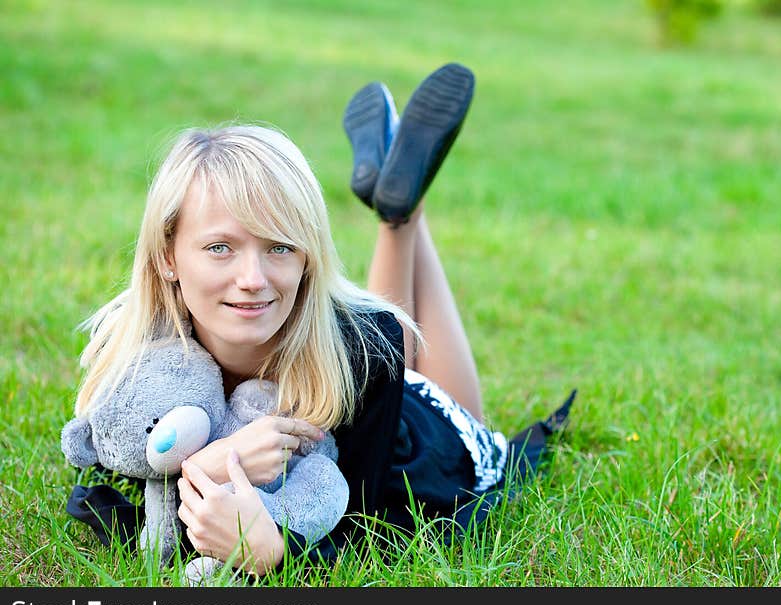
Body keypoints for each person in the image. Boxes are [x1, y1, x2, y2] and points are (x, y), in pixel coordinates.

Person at [65, 62, 575, 577]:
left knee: (462, 418)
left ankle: (404, 213)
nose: (253, 278)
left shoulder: (364, 353)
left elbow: (365, 531)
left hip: (410, 431)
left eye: (279, 247)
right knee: (381, 331)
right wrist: (214, 462)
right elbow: (123, 460)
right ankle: (401, 211)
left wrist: (274, 550)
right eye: (220, 248)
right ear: (167, 257)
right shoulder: (137, 347)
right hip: (362, 358)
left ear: (308, 255)